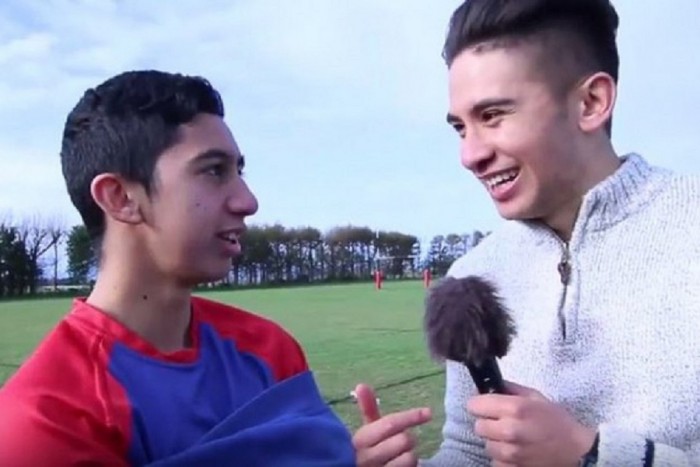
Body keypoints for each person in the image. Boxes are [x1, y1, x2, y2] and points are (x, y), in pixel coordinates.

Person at [0, 70, 431, 466]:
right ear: (120, 198)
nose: (248, 201)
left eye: (239, 170)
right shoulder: (44, 420)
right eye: (213, 171)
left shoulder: (269, 349)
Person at [421, 0, 700, 466]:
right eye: (460, 127)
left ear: (590, 103)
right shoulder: (474, 273)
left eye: (493, 116)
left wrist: (590, 454)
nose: (469, 155)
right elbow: (469, 451)